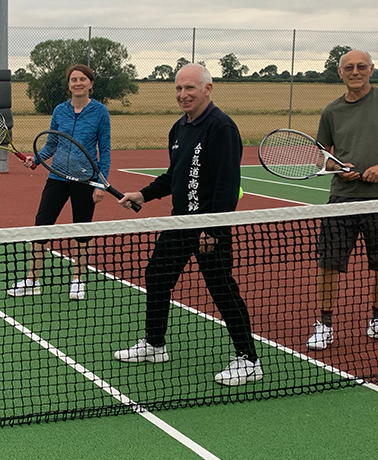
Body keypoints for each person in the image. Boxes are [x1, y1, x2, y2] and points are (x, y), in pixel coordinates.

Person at [112, 64, 262, 387]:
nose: (183, 95)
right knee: (156, 275)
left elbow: (226, 183)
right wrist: (143, 194)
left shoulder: (222, 128)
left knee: (222, 290)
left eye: (190, 88)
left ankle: (249, 360)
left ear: (208, 89)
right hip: (180, 224)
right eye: (179, 89)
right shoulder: (179, 129)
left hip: (209, 228)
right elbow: (174, 176)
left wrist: (214, 229)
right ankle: (154, 344)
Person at [306, 49, 378, 351]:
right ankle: (325, 324)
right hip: (343, 199)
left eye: (361, 67)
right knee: (328, 264)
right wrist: (339, 170)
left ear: (371, 70)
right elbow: (323, 157)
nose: (355, 72)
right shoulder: (331, 111)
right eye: (349, 68)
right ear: (340, 73)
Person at [7, 64, 111, 301]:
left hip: (86, 179)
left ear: (91, 84)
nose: (78, 83)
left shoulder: (100, 112)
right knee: (41, 227)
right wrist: (36, 160)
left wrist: (100, 183)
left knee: (82, 230)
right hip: (57, 177)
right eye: (74, 79)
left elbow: (104, 150)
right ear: (69, 84)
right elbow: (51, 144)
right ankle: (32, 280)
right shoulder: (59, 111)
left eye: (83, 79)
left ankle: (78, 280)